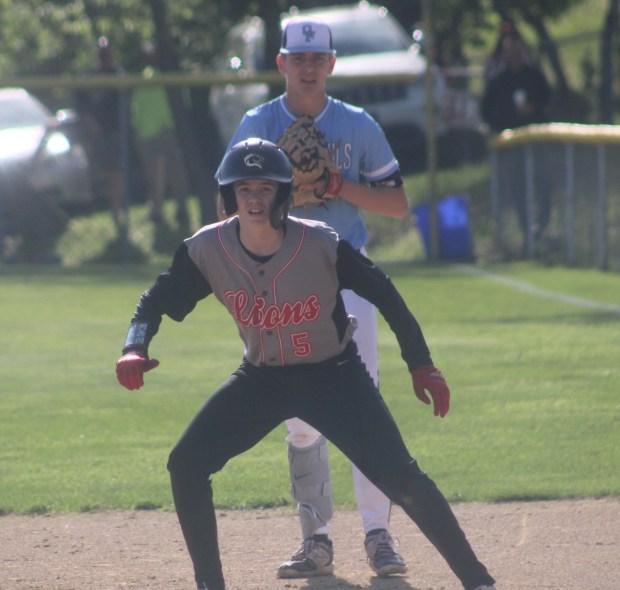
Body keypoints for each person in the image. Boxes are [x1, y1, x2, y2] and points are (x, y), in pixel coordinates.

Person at [115, 138, 498, 590]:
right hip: (261, 379)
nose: (254, 199)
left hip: (333, 376)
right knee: (186, 463)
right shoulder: (207, 249)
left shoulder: (319, 242)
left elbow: (386, 294)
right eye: (244, 190)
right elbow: (152, 302)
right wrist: (134, 346)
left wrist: (421, 364)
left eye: (264, 188)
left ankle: (478, 581)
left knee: (402, 476)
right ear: (228, 196)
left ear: (282, 194)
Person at [219, 17, 411, 578]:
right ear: (281, 63)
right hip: (282, 281)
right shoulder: (259, 123)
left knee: (365, 406)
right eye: (296, 58)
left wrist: (334, 187)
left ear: (330, 64)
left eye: (316, 58)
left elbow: (398, 203)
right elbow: (224, 207)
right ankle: (316, 541)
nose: (307, 67)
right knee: (300, 417)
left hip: (347, 275)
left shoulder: (357, 124)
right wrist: (272, 197)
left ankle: (379, 536)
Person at [480, 28, 553, 252]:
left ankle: (542, 224)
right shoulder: (498, 80)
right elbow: (486, 112)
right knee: (518, 189)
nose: (514, 55)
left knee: (544, 185)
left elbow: (548, 102)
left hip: (536, 143)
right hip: (511, 147)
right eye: (509, 51)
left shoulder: (534, 75)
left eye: (517, 50)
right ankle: (526, 232)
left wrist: (533, 109)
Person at [132, 42, 190, 229]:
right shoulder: (146, 76)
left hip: (164, 129)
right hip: (149, 131)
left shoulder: (167, 76)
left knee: (175, 171)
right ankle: (157, 210)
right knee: (155, 175)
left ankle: (181, 208)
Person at [75, 37, 128, 235]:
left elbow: (123, 100)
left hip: (114, 133)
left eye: (109, 54)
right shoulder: (90, 77)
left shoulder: (118, 74)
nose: (106, 58)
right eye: (102, 54)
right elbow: (81, 105)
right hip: (96, 135)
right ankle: (109, 206)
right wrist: (90, 123)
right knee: (102, 173)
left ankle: (117, 210)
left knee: (116, 173)